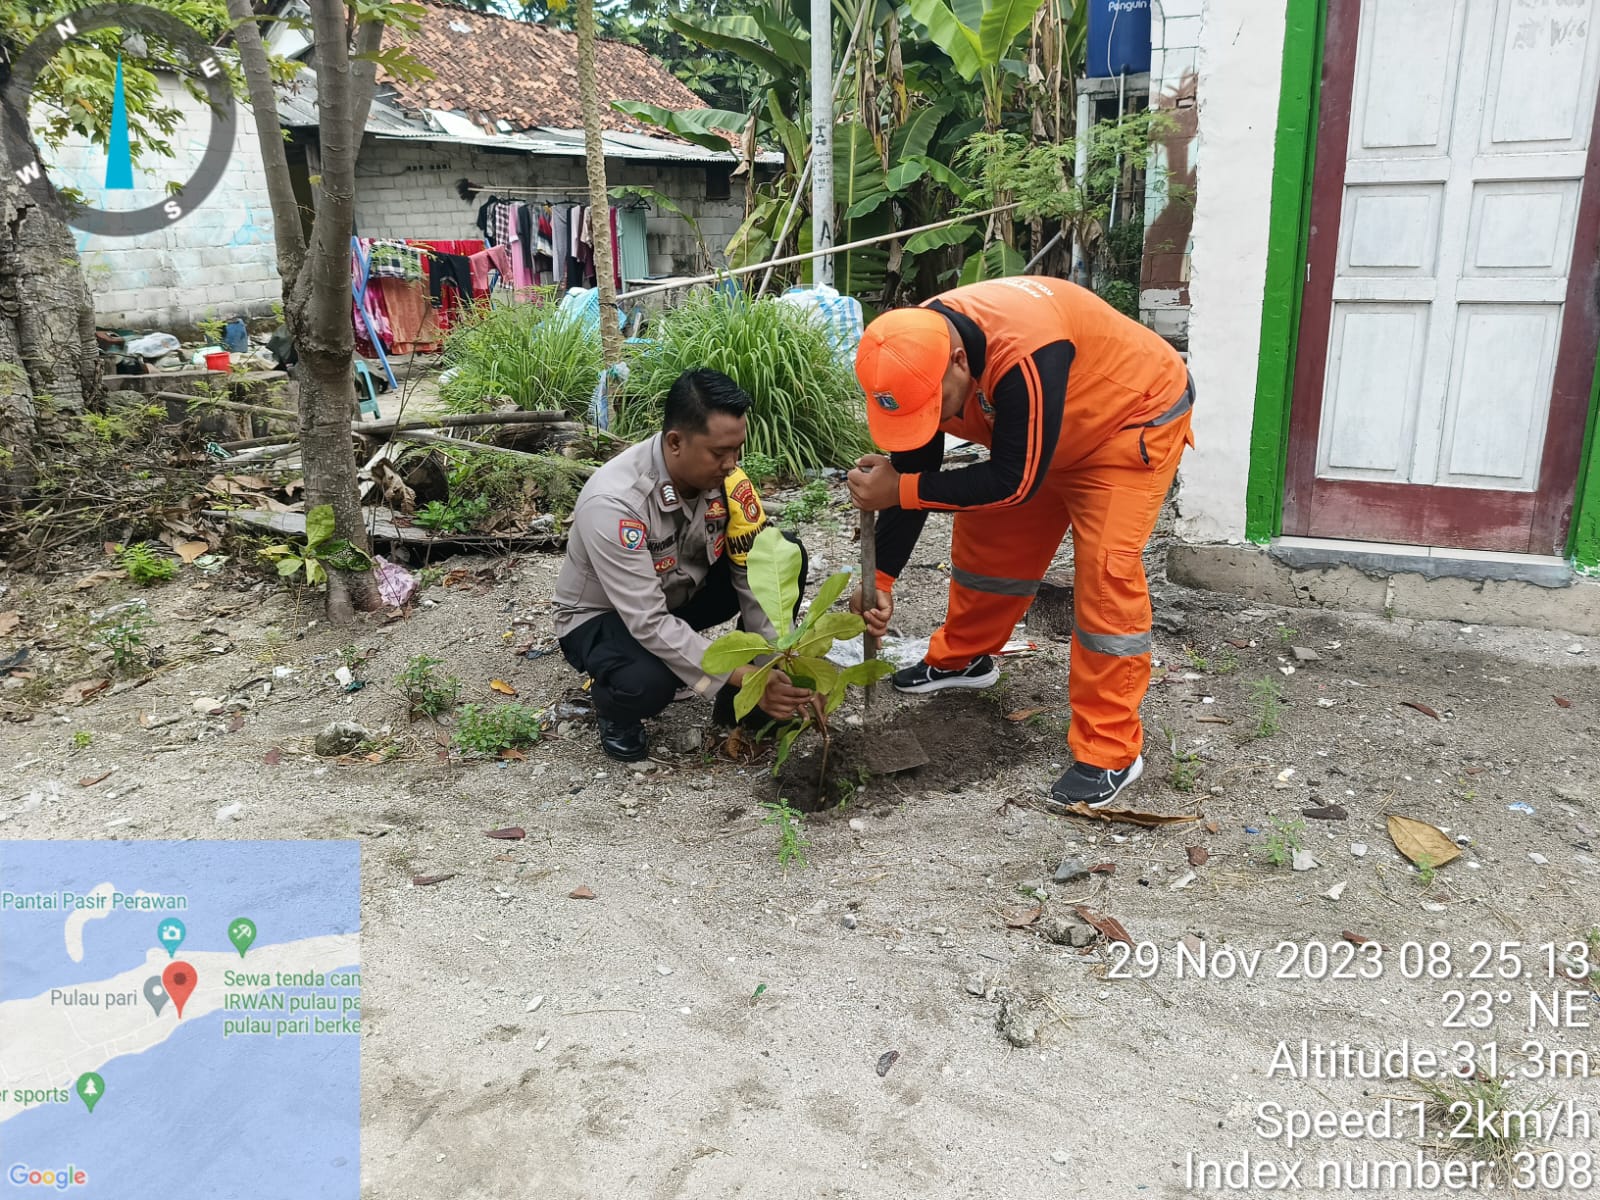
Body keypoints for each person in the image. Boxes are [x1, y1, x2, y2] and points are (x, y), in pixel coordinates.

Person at [846, 276, 1193, 808]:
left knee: (1105, 576)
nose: (934, 423)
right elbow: (918, 469)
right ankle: (966, 659)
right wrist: (882, 578)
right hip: (1037, 435)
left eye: (936, 410)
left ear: (960, 362)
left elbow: (1012, 481)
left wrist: (901, 488)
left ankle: (1110, 749)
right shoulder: (916, 351)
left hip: (1125, 424)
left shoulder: (1027, 354)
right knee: (989, 540)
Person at [554, 368, 818, 762]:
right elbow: (647, 619)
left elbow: (752, 579)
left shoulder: (728, 482)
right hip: (604, 615)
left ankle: (736, 707)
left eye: (737, 450)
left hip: (676, 594)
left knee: (781, 555)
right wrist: (744, 675)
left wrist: (768, 670)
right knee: (646, 682)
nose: (732, 464)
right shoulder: (614, 504)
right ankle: (615, 710)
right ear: (675, 442)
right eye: (719, 453)